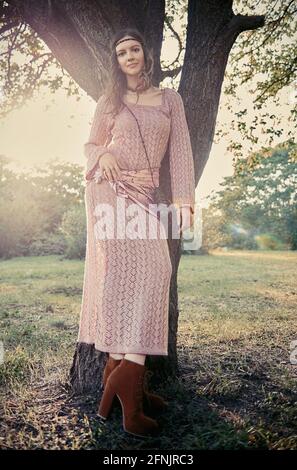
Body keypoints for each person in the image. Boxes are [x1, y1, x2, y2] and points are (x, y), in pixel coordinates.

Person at [78, 28, 195, 438]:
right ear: (116, 59)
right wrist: (104, 151)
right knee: (118, 281)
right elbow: (90, 145)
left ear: (146, 54)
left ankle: (120, 380)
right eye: (121, 52)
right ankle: (129, 389)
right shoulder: (110, 101)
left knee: (156, 271)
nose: (128, 56)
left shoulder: (169, 100)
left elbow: (180, 150)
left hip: (145, 194)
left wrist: (185, 201)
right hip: (107, 193)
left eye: (134, 49)